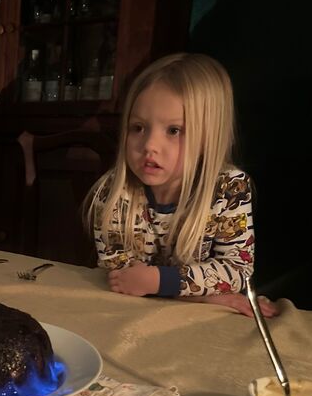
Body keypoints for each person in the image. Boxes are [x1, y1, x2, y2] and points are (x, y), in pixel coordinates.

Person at [83, 53, 278, 318]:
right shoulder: (113, 191)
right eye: (138, 127)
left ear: (209, 137)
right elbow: (122, 278)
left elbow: (237, 271)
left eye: (174, 130)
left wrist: (158, 282)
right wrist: (207, 297)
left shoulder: (229, 189)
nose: (149, 146)